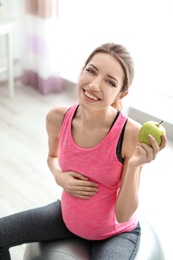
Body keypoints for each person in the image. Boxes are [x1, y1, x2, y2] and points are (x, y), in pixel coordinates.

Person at [0, 43, 166, 260]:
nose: (94, 85)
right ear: (81, 70)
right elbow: (52, 157)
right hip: (66, 217)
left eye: (110, 81)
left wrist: (135, 165)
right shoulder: (57, 118)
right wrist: (59, 177)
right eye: (91, 70)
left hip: (115, 234)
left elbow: (124, 214)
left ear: (121, 93)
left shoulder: (130, 134)